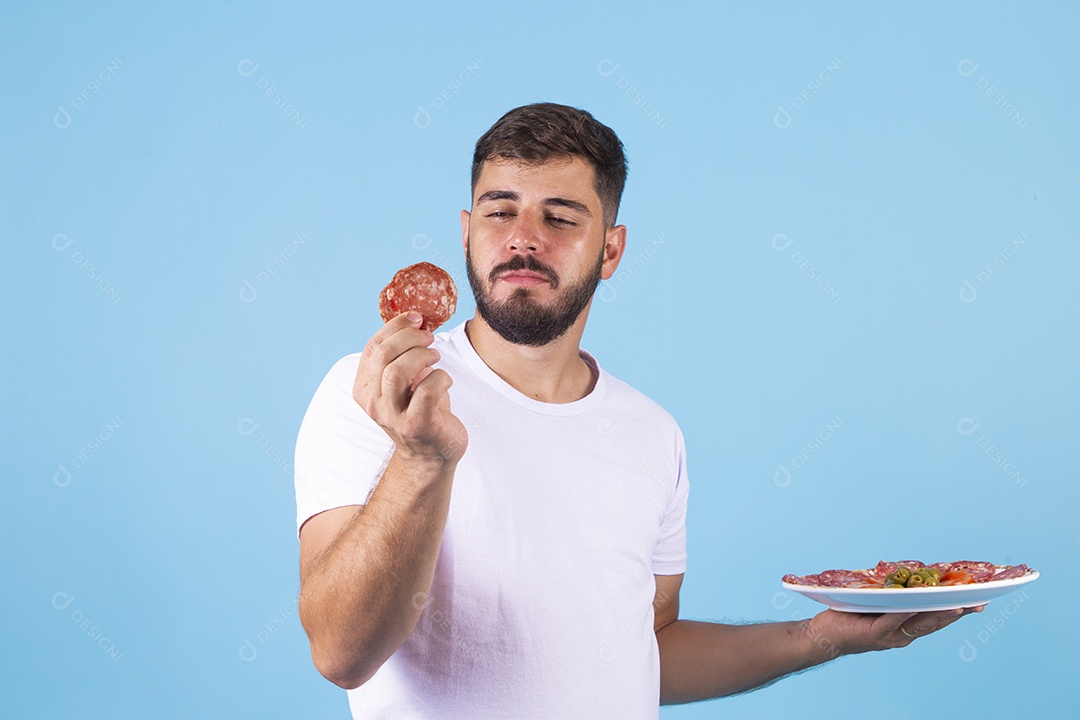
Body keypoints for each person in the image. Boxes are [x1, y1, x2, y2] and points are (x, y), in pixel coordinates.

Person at [293, 102, 977, 718]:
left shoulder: (653, 434)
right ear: (468, 232)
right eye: (500, 211)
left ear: (611, 250)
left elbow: (648, 650)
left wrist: (819, 638)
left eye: (559, 217)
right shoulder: (378, 394)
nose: (523, 237)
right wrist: (421, 460)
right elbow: (341, 652)